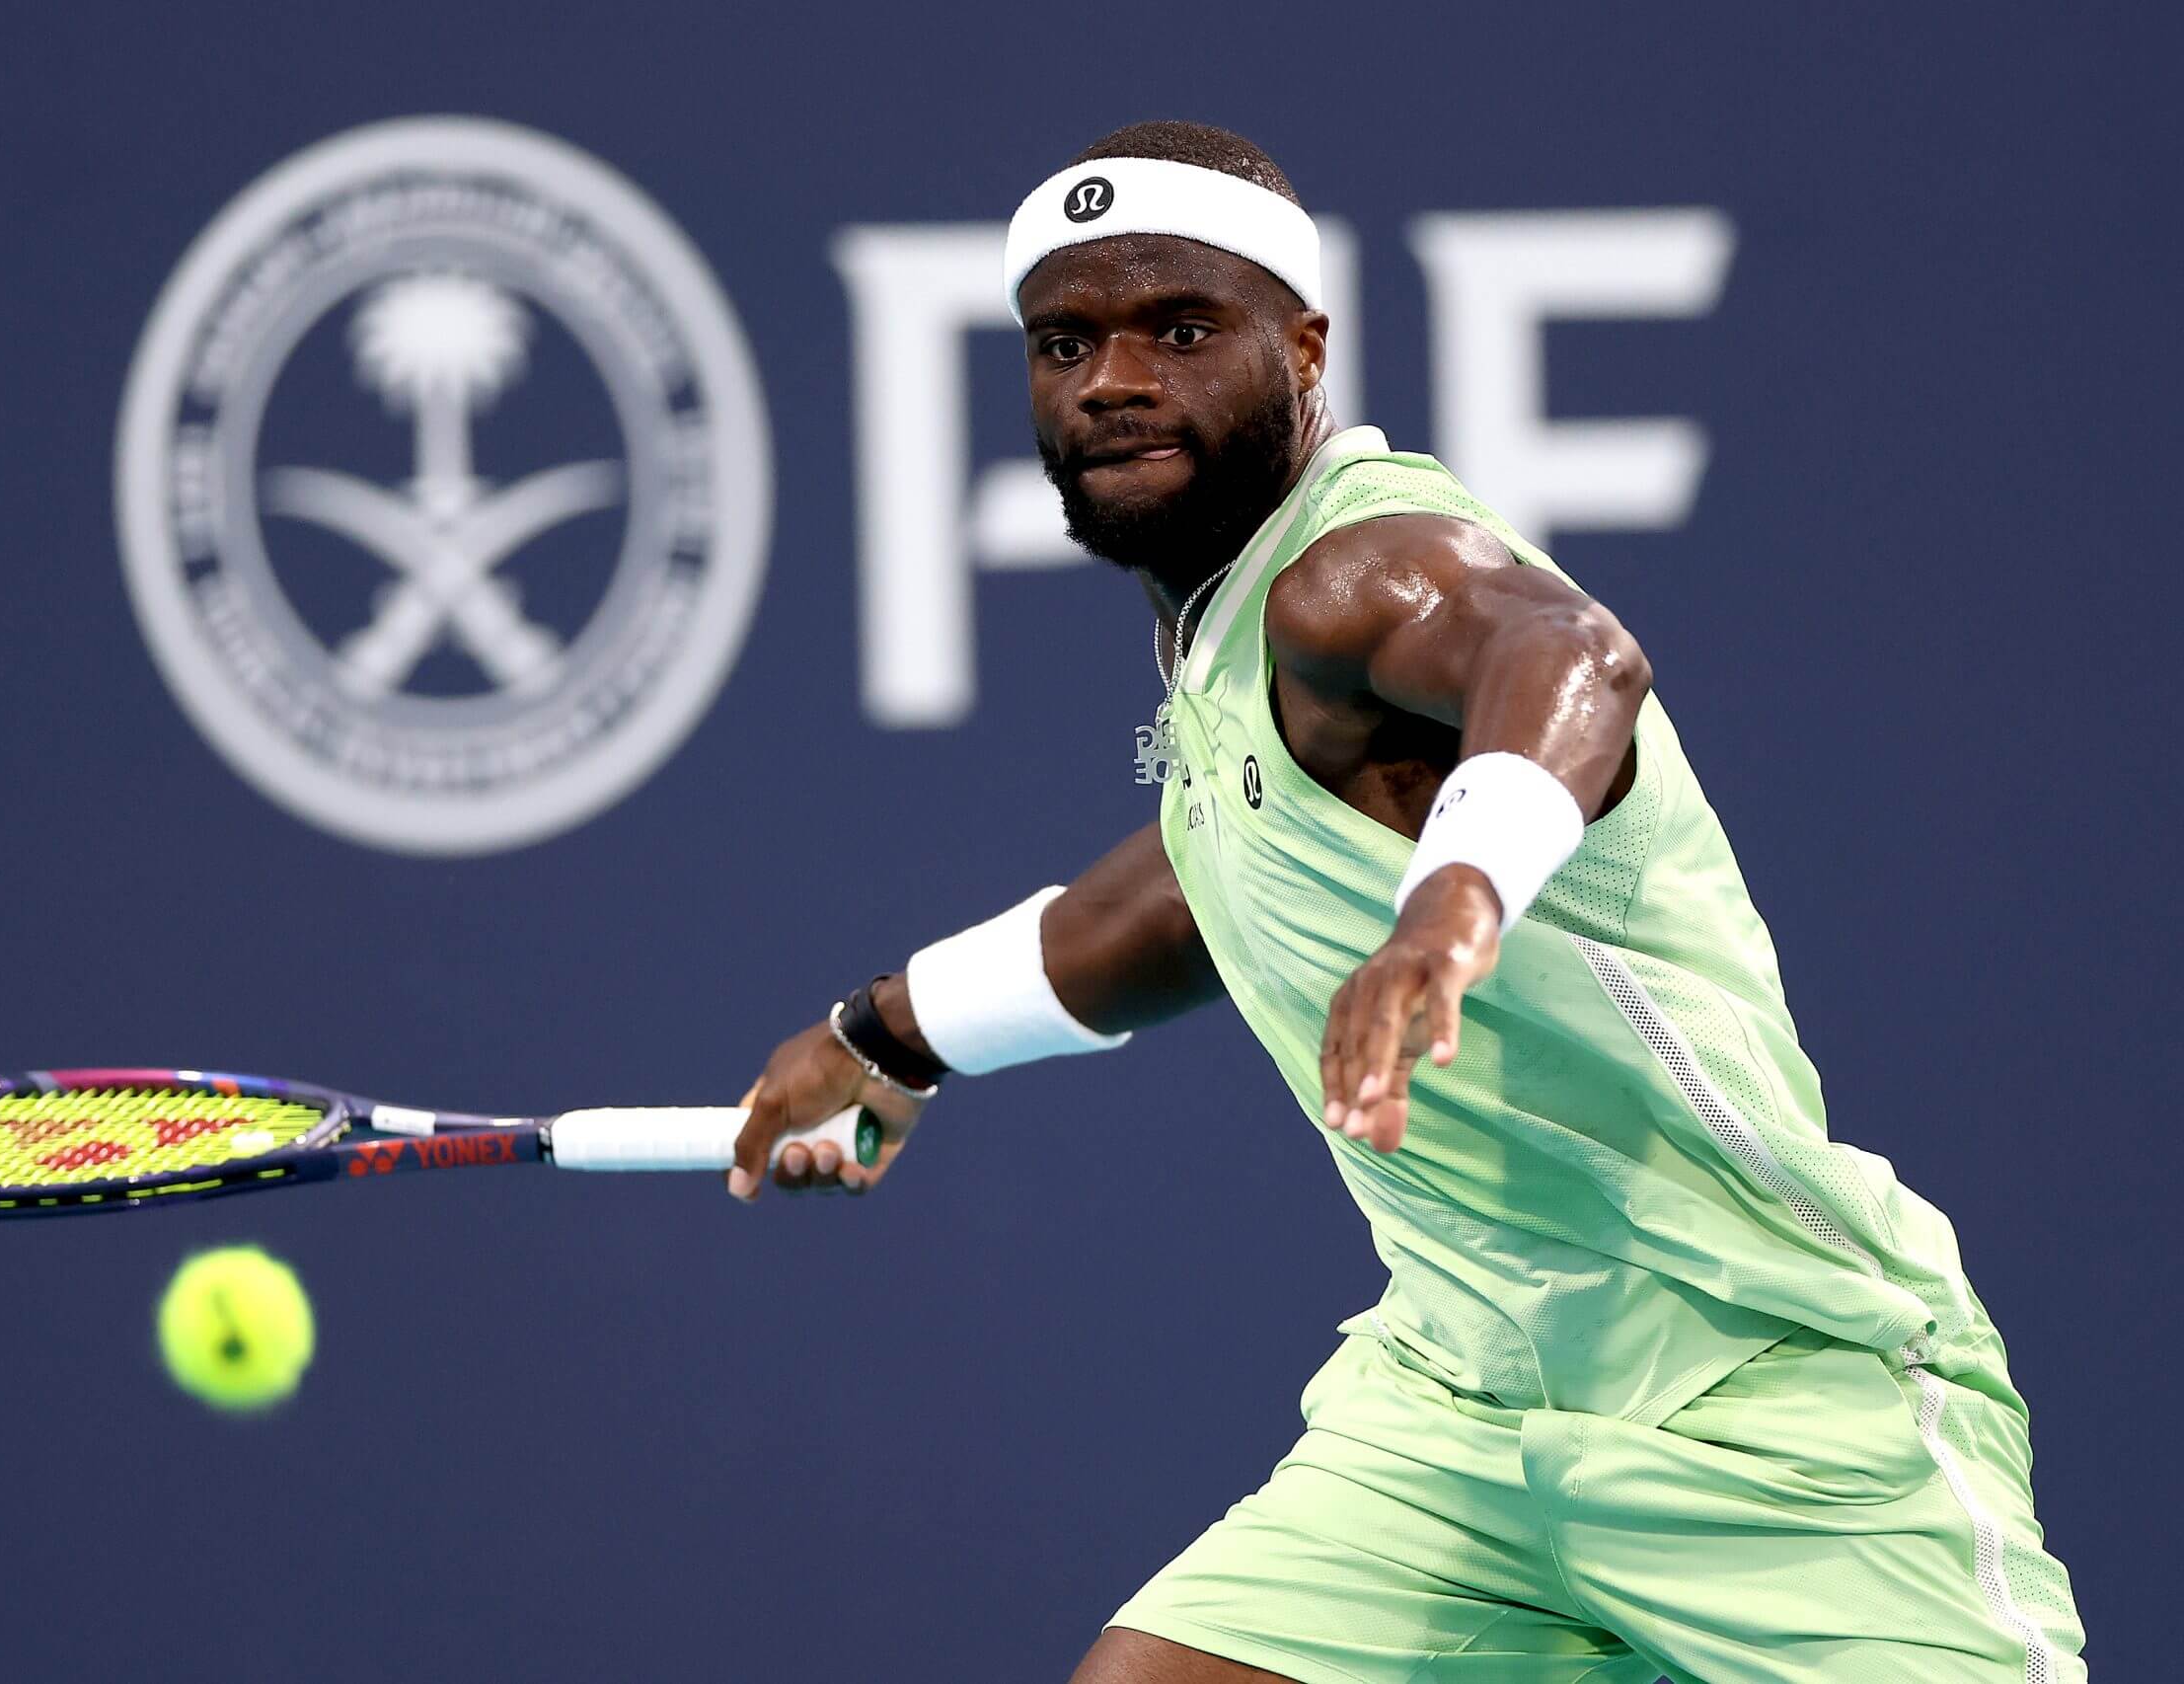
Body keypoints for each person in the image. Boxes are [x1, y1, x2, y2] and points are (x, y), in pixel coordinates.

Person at [730, 120, 2085, 1683]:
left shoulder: (1354, 569)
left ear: (1304, 350)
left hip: (1769, 1395)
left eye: (1179, 329)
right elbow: (1194, 885)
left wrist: (1451, 905)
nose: (1111, 378)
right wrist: (890, 1033)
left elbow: (1574, 657)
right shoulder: (1235, 626)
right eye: (1065, 342)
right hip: (1465, 1400)